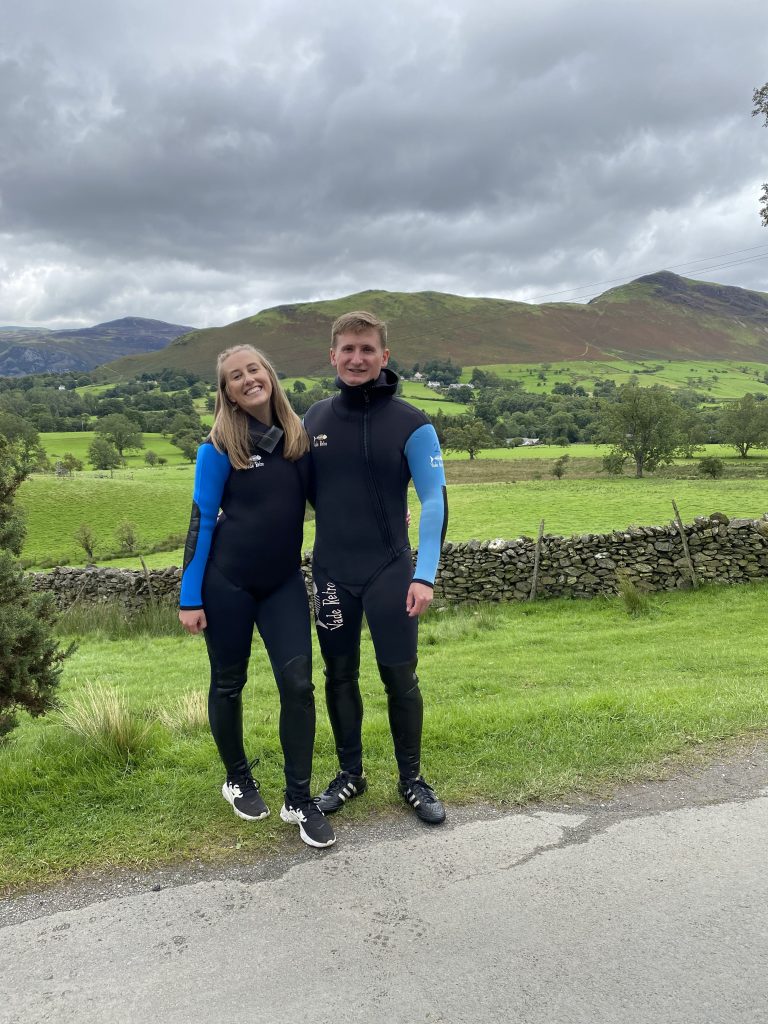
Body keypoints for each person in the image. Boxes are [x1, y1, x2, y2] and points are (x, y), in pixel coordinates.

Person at [178, 345, 335, 849]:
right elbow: (202, 519)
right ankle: (237, 778)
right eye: (234, 376)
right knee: (229, 683)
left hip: (282, 583)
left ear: (269, 373)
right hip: (226, 584)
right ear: (226, 392)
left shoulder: (297, 440)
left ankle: (298, 798)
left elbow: (326, 500)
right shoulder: (218, 448)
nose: (248, 379)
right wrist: (189, 596)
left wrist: (382, 518)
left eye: (254, 369)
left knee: (300, 686)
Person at [304, 310, 448, 824]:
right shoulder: (313, 420)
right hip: (332, 574)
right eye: (348, 349)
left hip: (390, 570)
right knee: (338, 675)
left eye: (367, 350)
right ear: (333, 356)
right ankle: (350, 775)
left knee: (399, 677)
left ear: (384, 357)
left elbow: (434, 502)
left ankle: (412, 779)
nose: (357, 358)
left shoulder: (413, 424)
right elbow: (282, 490)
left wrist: (424, 574)